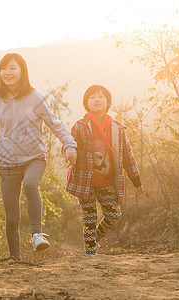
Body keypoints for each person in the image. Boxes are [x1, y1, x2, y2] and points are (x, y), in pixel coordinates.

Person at [0, 53, 77, 260]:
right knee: (11, 217)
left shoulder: (36, 98)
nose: (7, 72)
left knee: (30, 184)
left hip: (34, 159)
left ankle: (37, 235)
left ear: (22, 71)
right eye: (4, 68)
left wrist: (69, 144)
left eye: (12, 68)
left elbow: (55, 124)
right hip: (7, 163)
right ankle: (15, 258)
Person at [66, 84, 143, 255]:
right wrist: (69, 152)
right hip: (85, 182)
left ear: (108, 101)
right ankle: (90, 253)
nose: (97, 99)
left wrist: (136, 180)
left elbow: (128, 156)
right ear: (86, 103)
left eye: (101, 96)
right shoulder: (80, 126)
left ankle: (95, 238)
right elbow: (69, 143)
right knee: (90, 218)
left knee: (114, 214)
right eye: (92, 97)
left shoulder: (117, 129)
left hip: (106, 182)